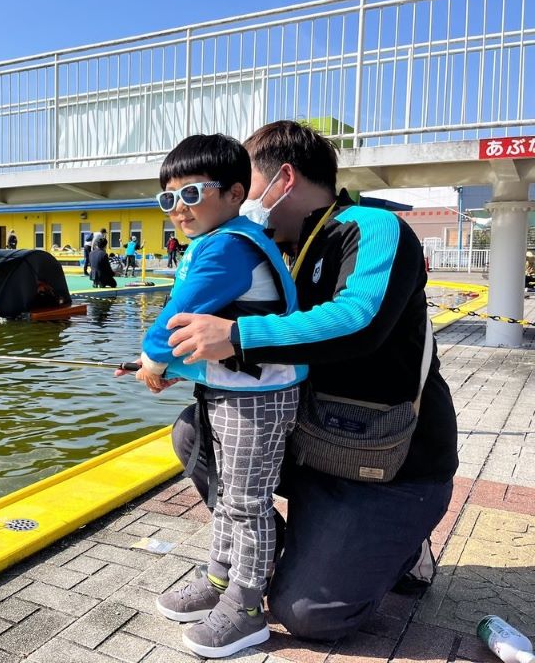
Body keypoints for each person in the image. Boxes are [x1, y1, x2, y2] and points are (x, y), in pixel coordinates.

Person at [163, 120, 457, 643]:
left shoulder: (371, 227)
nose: (233, 196)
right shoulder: (266, 246)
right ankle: (261, 552)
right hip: (307, 441)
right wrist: (174, 360)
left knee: (308, 615)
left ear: (284, 180)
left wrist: (238, 334)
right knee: (193, 431)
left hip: (385, 460)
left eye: (241, 181)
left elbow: (359, 319)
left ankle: (405, 547)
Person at [124, 134, 305, 659]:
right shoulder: (228, 236)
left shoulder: (226, 244)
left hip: (258, 398)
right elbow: (208, 333)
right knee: (227, 495)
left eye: (191, 194)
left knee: (246, 502)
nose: (178, 209)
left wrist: (155, 357)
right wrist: (168, 366)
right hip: (235, 390)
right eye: (167, 199)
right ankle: (222, 580)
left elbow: (178, 314)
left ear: (232, 192)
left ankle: (248, 609)